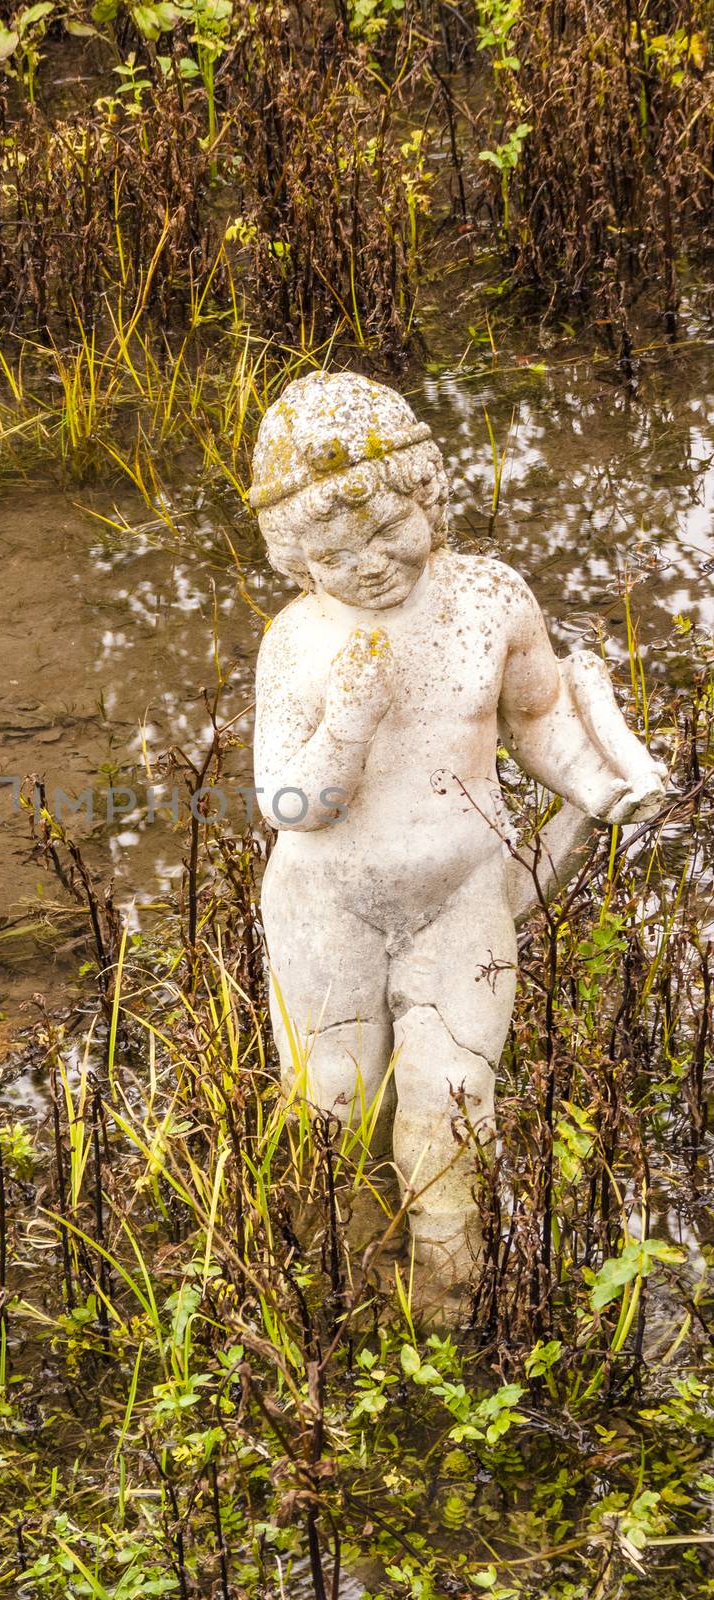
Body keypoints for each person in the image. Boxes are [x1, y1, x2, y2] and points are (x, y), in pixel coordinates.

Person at [251, 370, 666, 1275]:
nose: (371, 562)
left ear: (428, 493)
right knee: (334, 1103)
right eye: (336, 553)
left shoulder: (489, 601)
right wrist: (347, 725)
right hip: (329, 901)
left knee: (453, 1093)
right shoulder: (298, 642)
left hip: (460, 897)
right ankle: (341, 1282)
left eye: (390, 526)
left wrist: (598, 784)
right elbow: (285, 806)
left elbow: (537, 718)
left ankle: (450, 1294)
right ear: (295, 559)